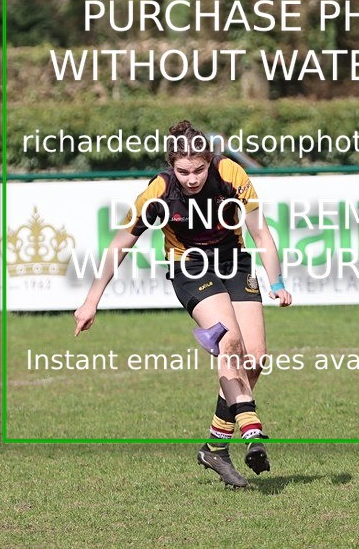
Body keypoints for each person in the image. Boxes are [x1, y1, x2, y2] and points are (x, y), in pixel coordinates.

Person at [74, 120, 292, 488]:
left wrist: (278, 280)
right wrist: (91, 300)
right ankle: (252, 430)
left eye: (199, 170)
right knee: (229, 342)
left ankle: (214, 447)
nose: (192, 179)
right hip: (189, 266)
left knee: (255, 357)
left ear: (210, 161)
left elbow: (259, 231)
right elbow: (120, 244)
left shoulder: (230, 174)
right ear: (171, 166)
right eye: (183, 171)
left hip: (233, 261)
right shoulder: (159, 191)